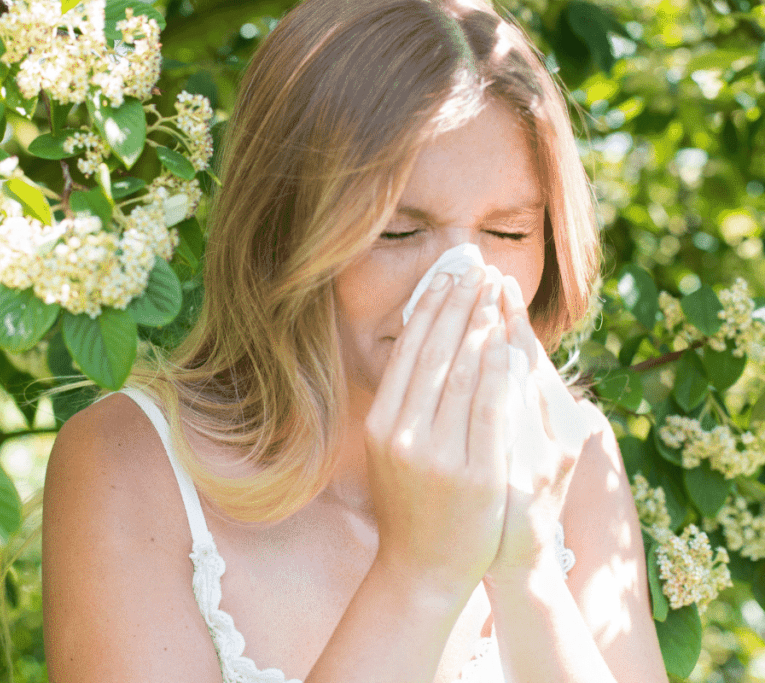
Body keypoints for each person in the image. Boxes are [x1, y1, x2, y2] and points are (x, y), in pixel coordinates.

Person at [40, 0, 669, 680]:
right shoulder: (130, 466)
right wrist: (420, 574)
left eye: (508, 233)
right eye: (397, 231)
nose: (459, 283)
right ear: (284, 229)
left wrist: (528, 570)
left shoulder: (574, 458)